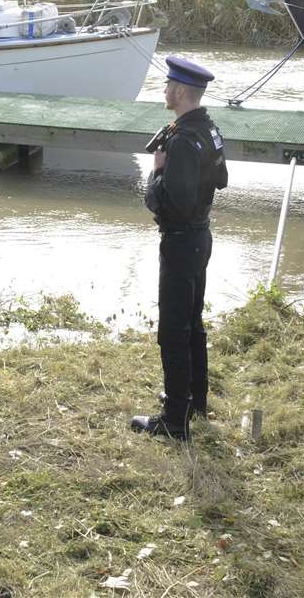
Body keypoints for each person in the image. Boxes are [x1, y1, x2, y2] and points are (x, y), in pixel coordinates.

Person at [131, 55, 228, 441]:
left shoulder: (185, 140)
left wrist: (157, 173)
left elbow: (175, 202)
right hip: (200, 238)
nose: (165, 90)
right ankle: (193, 400)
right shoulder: (207, 129)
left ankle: (174, 421)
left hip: (181, 239)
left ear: (182, 91)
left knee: (173, 330)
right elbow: (221, 179)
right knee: (192, 324)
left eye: (169, 85)